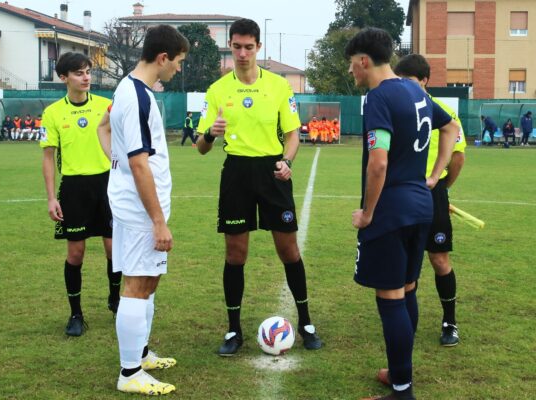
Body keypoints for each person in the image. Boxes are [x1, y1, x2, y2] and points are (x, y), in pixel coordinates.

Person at [196, 18, 322, 356]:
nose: (241, 53)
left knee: (288, 250)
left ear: (258, 48)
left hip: (272, 172)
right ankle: (233, 331)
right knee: (236, 253)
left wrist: (287, 162)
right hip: (236, 172)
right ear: (231, 47)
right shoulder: (218, 90)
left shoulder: (279, 87)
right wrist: (210, 133)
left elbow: (293, 134)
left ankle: (307, 322)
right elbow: (201, 146)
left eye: (248, 47)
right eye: (236, 46)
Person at [345, 28, 458, 400]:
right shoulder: (415, 90)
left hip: (391, 211)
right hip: (421, 208)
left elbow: (378, 164)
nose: (351, 72)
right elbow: (451, 127)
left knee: (390, 297)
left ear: (364, 60)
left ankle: (402, 392)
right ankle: (399, 374)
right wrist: (433, 175)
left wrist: (367, 214)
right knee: (407, 291)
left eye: (351, 64)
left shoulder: (378, 98)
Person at [98, 25, 189, 395]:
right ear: (163, 57)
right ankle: (130, 372)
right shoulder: (137, 97)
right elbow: (138, 163)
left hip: (134, 204)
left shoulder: (128, 90)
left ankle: (142, 353)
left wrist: (115, 166)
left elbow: (103, 129)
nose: (179, 70)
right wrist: (157, 221)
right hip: (139, 212)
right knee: (137, 285)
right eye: (179, 62)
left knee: (148, 281)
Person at [40, 52, 121, 337]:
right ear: (64, 78)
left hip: (107, 185)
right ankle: (76, 314)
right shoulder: (52, 113)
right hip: (73, 188)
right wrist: (52, 197)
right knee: (76, 254)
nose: (86, 77)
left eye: (88, 71)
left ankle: (116, 300)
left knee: (114, 249)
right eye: (78, 73)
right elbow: (48, 157)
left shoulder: (105, 106)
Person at [394, 54, 467, 351]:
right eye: (401, 82)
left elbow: (458, 157)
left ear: (424, 81)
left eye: (410, 81)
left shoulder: (444, 112)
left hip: (431, 193)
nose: (405, 88)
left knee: (438, 260)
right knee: (405, 263)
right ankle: (405, 319)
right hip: (402, 194)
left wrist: (442, 186)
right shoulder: (398, 111)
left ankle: (449, 322)